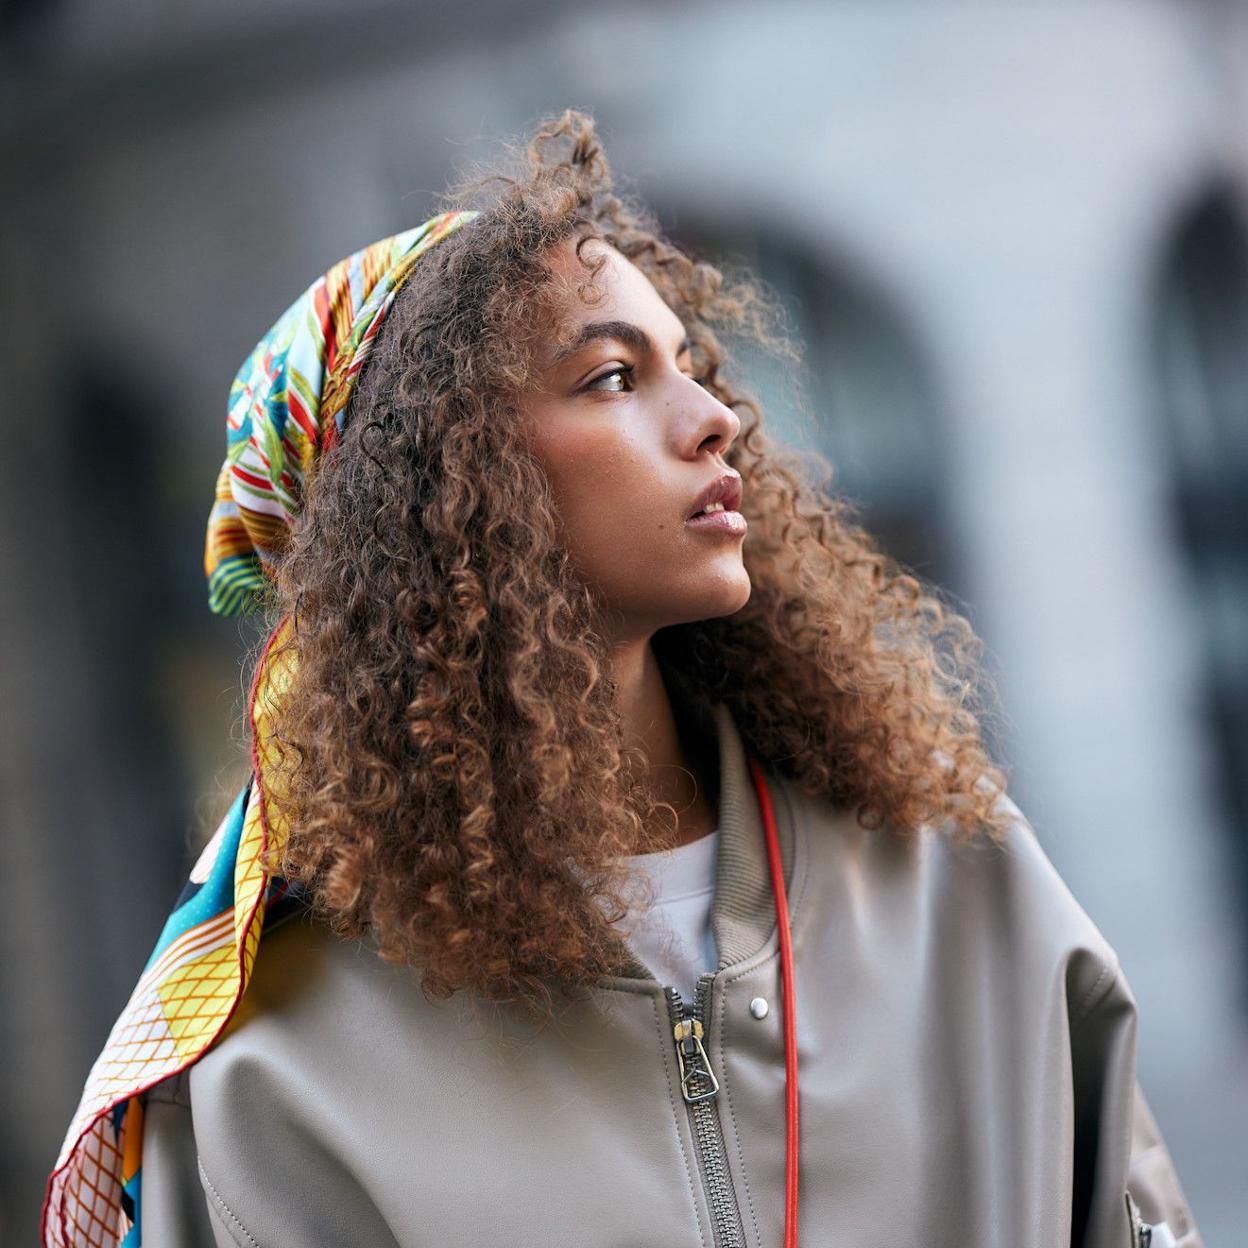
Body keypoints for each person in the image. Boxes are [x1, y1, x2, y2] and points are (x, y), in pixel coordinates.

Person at [43, 109, 1202, 1248]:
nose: (712, 421)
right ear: (434, 496)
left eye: (692, 367)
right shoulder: (278, 1073)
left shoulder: (953, 876)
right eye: (611, 377)